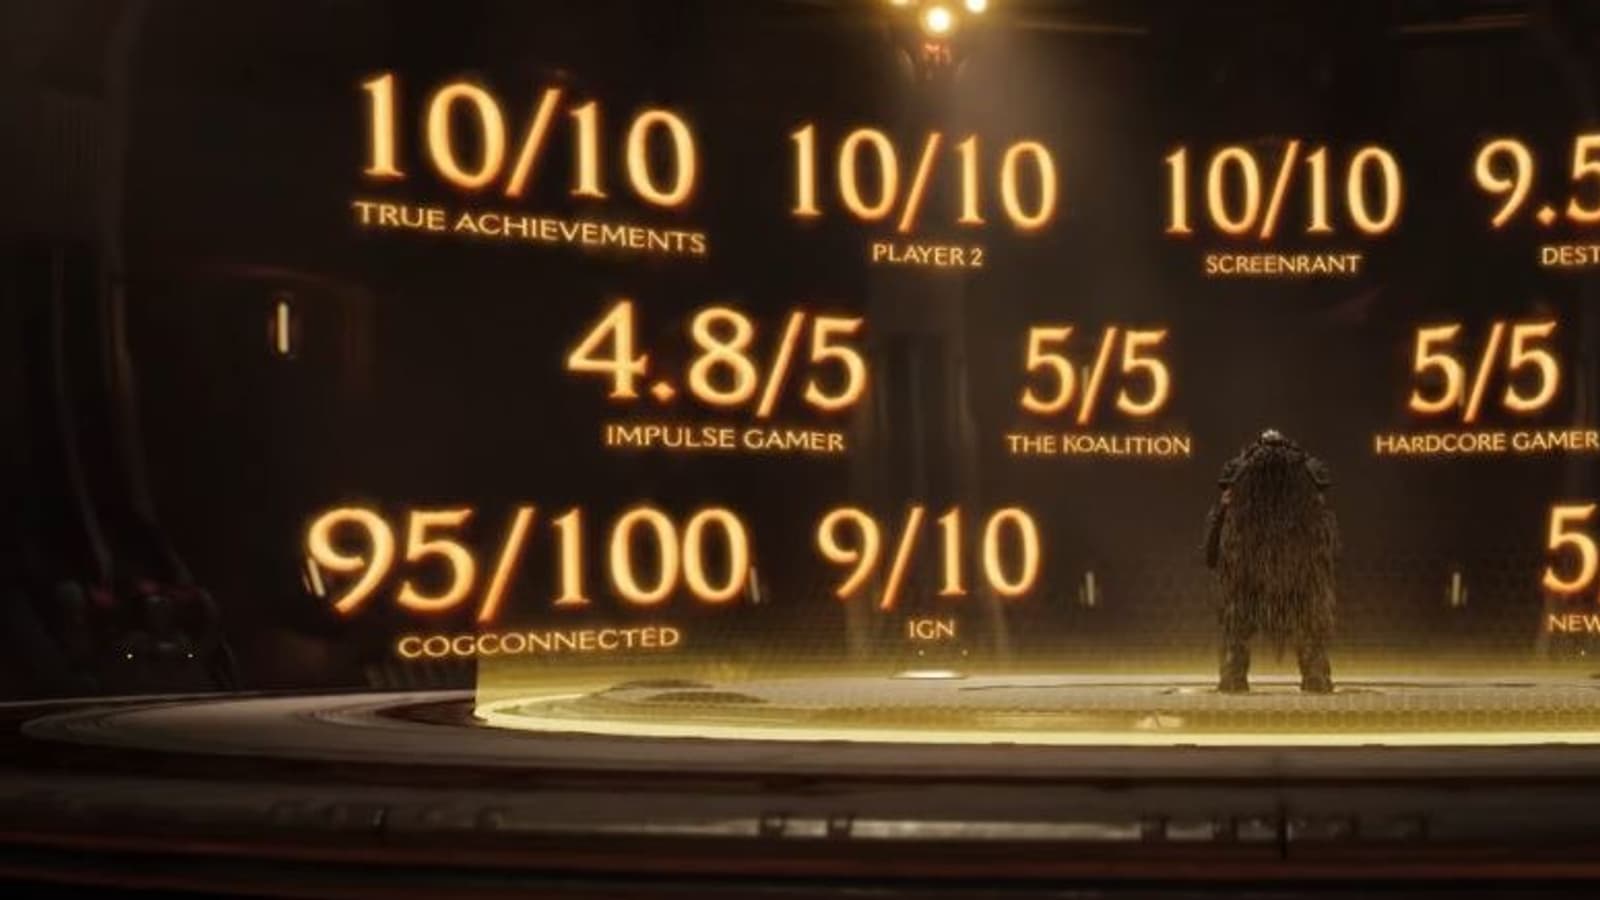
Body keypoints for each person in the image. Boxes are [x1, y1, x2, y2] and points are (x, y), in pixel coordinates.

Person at [1204, 429, 1338, 694]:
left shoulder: (1239, 469)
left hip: (1250, 562)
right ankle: (1315, 676)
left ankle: (1234, 676)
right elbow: (1323, 524)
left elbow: (1222, 516)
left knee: (1236, 622)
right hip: (1295, 562)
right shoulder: (1308, 470)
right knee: (1309, 622)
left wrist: (1214, 554)